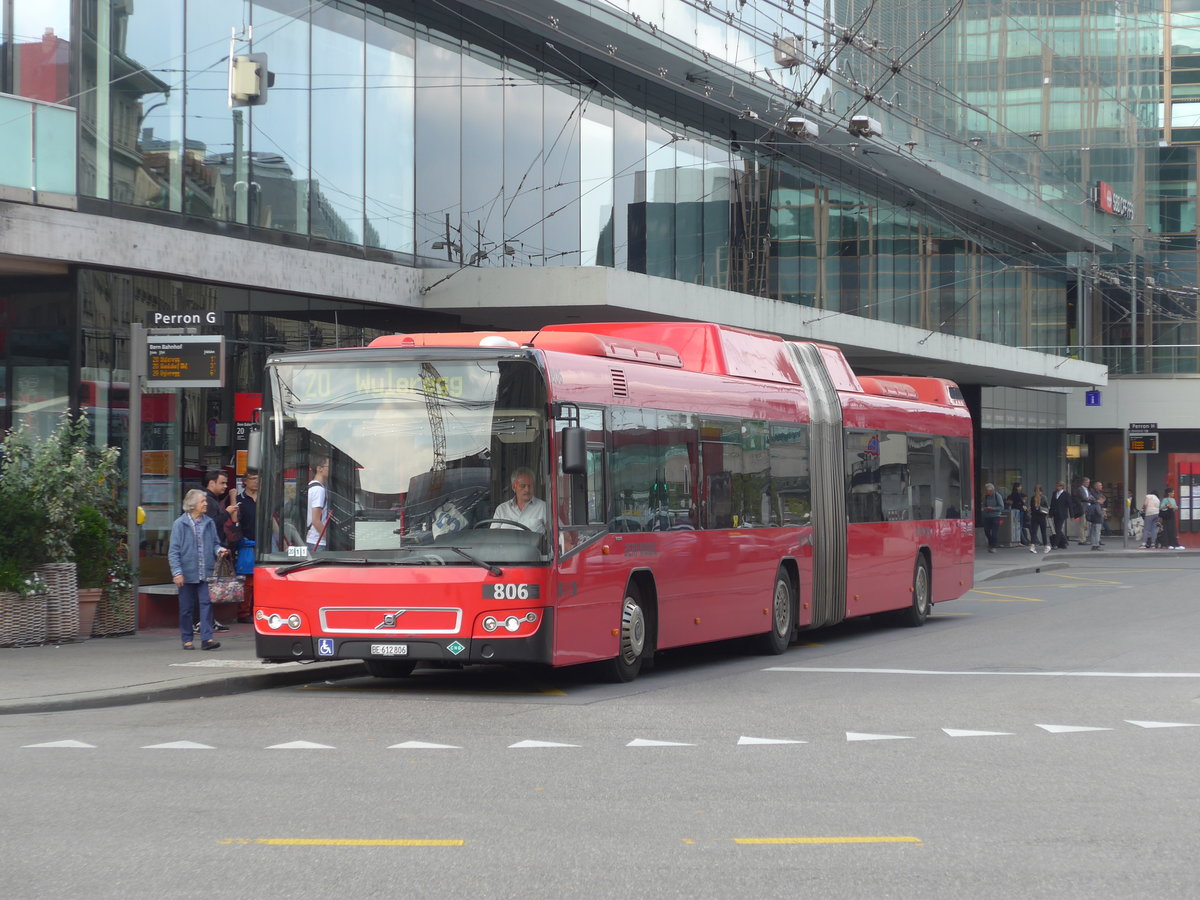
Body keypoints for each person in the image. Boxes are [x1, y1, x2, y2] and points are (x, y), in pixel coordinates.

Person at [168, 489, 226, 651]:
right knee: (186, 608)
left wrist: (219, 550)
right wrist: (177, 572)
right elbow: (174, 551)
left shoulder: (209, 522)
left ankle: (207, 639)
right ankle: (187, 639)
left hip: (206, 571)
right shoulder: (180, 524)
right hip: (186, 573)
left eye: (205, 501)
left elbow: (215, 543)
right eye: (203, 501)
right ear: (192, 505)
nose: (206, 504)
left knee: (206, 603)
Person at [199, 469, 234, 633]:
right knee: (206, 588)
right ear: (211, 483)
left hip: (216, 549)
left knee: (210, 588)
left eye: (226, 483)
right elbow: (211, 524)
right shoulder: (209, 501)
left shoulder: (213, 500)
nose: (225, 486)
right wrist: (227, 513)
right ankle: (202, 621)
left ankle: (208, 620)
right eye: (222, 483)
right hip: (210, 551)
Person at [491, 466, 547, 534]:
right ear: (514, 487)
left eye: (530, 486)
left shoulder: (543, 507)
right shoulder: (502, 509)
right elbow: (493, 536)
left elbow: (553, 535)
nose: (527, 490)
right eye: (523, 486)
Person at [235, 470, 259, 623]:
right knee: (248, 582)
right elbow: (235, 522)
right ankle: (244, 613)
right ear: (245, 481)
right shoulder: (239, 500)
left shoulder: (265, 498)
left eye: (258, 479)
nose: (256, 481)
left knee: (262, 580)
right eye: (252, 478)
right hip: (246, 544)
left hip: (263, 544)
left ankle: (257, 610)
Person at [306, 456, 330, 551]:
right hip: (318, 541)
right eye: (328, 467)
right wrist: (329, 538)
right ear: (319, 469)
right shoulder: (319, 490)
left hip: (311, 539)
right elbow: (316, 520)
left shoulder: (310, 486)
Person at [981, 482, 1004, 553]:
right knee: (986, 531)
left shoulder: (997, 496)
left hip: (995, 516)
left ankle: (993, 546)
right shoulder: (985, 497)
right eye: (987, 491)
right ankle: (991, 543)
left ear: (992, 490)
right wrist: (984, 508)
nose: (988, 492)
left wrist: (993, 508)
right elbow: (983, 505)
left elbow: (1001, 507)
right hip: (987, 516)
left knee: (994, 532)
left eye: (989, 491)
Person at [1028, 484, 1049, 553]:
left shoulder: (1032, 498)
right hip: (1042, 517)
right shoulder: (1044, 498)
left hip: (1034, 517)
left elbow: (1031, 508)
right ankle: (1046, 546)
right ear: (1041, 491)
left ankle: (1032, 546)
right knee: (1043, 532)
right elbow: (1046, 507)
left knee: (1034, 532)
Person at [1049, 480, 1071, 550]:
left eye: (1058, 486)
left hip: (1062, 514)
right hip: (1055, 513)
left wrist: (1072, 515)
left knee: (1058, 529)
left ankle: (1056, 544)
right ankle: (1064, 542)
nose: (1056, 487)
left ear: (1062, 486)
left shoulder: (1066, 494)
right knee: (1057, 529)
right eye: (1056, 486)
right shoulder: (1054, 493)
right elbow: (1052, 504)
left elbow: (1069, 505)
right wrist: (1050, 513)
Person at [1007, 481, 1029, 545]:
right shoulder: (1017, 494)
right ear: (1017, 487)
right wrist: (1023, 503)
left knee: (1016, 526)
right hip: (1019, 510)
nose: (1021, 487)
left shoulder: (1012, 494)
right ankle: (1019, 541)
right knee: (1019, 526)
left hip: (1014, 510)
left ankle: (1018, 541)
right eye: (1020, 486)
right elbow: (1022, 502)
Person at [1087, 480, 1106, 550]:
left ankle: (1094, 544)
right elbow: (1090, 500)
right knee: (1096, 530)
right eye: (1100, 485)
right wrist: (1098, 501)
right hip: (1096, 513)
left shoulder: (1099, 493)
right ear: (1096, 486)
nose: (1101, 486)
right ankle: (1096, 544)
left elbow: (1102, 502)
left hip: (1097, 513)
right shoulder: (1093, 494)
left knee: (1094, 530)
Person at [1075, 477, 1093, 545]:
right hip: (1082, 508)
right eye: (1087, 482)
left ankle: (1084, 538)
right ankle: (1081, 540)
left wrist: (1089, 498)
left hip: (1087, 508)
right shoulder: (1080, 489)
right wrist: (1089, 498)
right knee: (1082, 524)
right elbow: (1084, 498)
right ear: (1083, 482)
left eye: (1088, 482)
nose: (1088, 484)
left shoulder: (1087, 489)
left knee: (1085, 525)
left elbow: (1090, 497)